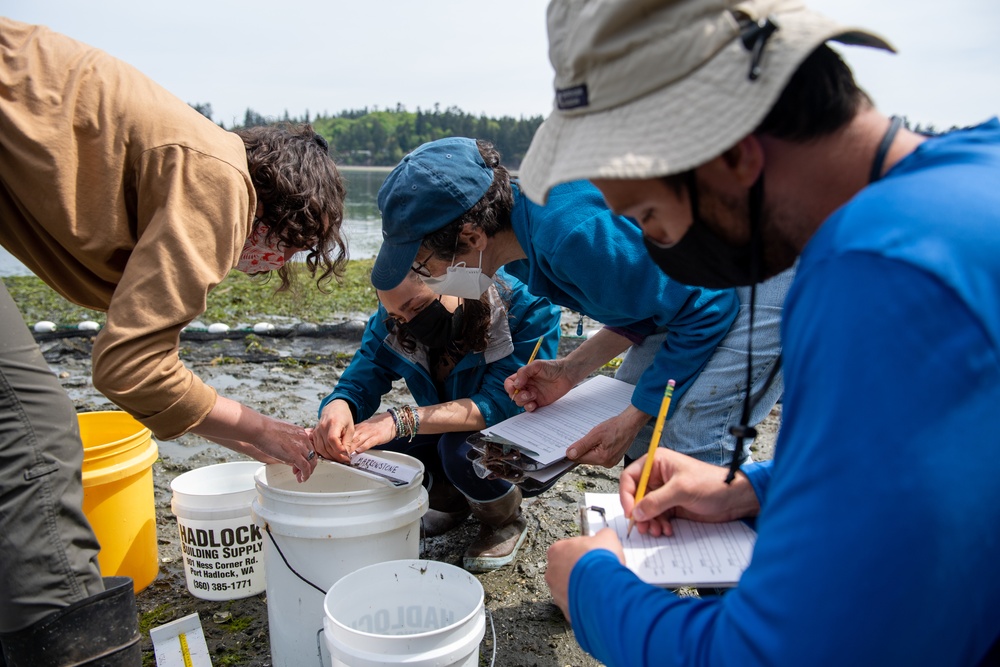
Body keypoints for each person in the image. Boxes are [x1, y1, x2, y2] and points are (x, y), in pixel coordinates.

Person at [522, 0, 1000, 665]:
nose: (657, 246)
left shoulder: (878, 275)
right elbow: (943, 496)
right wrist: (751, 490)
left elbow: (780, 653)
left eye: (651, 215)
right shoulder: (975, 170)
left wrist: (592, 586)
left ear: (734, 154)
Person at [0, 18, 346, 663]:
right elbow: (131, 366)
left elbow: (153, 372)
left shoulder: (191, 155)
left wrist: (244, 432)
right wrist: (265, 429)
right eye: (294, 249)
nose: (276, 265)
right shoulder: (220, 183)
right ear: (283, 218)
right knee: (33, 438)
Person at [372, 136, 786, 475]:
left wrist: (634, 416)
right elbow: (649, 305)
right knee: (644, 437)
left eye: (426, 263)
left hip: (765, 266)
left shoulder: (569, 236)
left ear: (472, 236)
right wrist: (570, 370)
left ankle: (737, 572)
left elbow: (704, 309)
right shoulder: (519, 248)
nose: (430, 277)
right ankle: (666, 565)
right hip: (699, 286)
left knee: (694, 443)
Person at [311, 269, 560, 571]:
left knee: (461, 452)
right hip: (442, 427)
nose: (409, 322)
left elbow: (500, 403)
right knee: (363, 444)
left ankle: (504, 520)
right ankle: (451, 503)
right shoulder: (394, 312)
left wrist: (401, 419)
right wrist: (339, 406)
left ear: (456, 277)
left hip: (519, 433)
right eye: (398, 316)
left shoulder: (528, 307)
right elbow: (364, 374)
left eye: (417, 307)